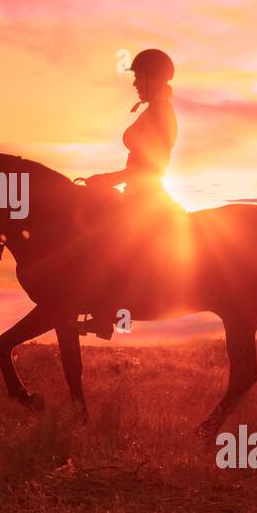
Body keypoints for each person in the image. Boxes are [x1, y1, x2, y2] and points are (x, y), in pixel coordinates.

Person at [79, 48, 184, 339]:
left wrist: (107, 179)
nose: (135, 83)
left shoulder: (162, 113)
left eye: (139, 76)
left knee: (109, 241)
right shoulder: (155, 110)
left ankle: (104, 316)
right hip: (137, 194)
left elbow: (151, 167)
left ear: (155, 78)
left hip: (146, 198)